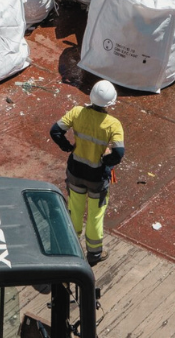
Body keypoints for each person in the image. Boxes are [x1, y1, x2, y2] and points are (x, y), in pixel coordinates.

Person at [50, 80, 125, 265]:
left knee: (74, 210)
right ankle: (94, 254)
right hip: (97, 178)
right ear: (111, 102)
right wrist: (105, 160)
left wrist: (67, 146)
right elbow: (118, 153)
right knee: (95, 216)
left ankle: (72, 248)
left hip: (76, 171)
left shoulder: (77, 112)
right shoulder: (113, 124)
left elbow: (55, 131)